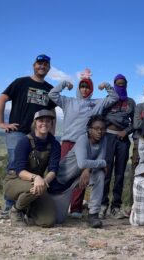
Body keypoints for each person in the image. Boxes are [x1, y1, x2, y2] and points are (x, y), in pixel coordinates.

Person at [48, 69, 116, 219]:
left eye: (87, 87)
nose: (84, 90)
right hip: (68, 142)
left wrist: (106, 86)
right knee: (64, 174)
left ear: (91, 90)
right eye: (82, 86)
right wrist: (64, 83)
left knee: (82, 176)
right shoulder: (68, 101)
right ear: (79, 88)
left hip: (86, 145)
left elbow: (113, 97)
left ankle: (76, 208)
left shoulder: (95, 104)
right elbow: (52, 94)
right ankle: (57, 202)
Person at [0, 54, 57, 219]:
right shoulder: (21, 82)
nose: (42, 66)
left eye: (45, 64)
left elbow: (52, 112)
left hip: (39, 133)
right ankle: (9, 207)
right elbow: (1, 99)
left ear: (48, 68)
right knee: (15, 167)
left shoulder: (50, 89)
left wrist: (52, 132)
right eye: (39, 63)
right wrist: (1, 123)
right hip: (18, 131)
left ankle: (24, 206)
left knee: (34, 167)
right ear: (34, 65)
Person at [49, 115, 108, 228]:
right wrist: (102, 163)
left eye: (102, 128)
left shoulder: (103, 140)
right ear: (89, 130)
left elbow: (97, 159)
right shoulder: (82, 139)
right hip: (62, 182)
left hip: (78, 178)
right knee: (58, 220)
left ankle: (93, 214)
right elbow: (83, 163)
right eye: (96, 128)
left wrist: (88, 169)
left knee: (99, 174)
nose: (100, 131)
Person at [3, 110, 60, 227]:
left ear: (51, 124)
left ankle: (28, 209)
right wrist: (36, 178)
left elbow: (53, 170)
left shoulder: (54, 144)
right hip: (14, 180)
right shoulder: (24, 142)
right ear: (35, 123)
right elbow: (20, 171)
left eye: (48, 121)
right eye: (41, 120)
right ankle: (15, 210)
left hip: (37, 184)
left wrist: (44, 181)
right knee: (37, 186)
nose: (44, 123)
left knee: (48, 222)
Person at [102, 74, 136, 219]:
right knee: (106, 172)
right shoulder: (108, 100)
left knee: (120, 173)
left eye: (122, 84)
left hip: (123, 140)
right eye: (118, 84)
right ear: (114, 85)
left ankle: (116, 206)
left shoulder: (130, 102)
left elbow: (135, 123)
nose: (120, 86)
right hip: (108, 138)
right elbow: (100, 117)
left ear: (126, 85)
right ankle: (102, 205)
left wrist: (125, 131)